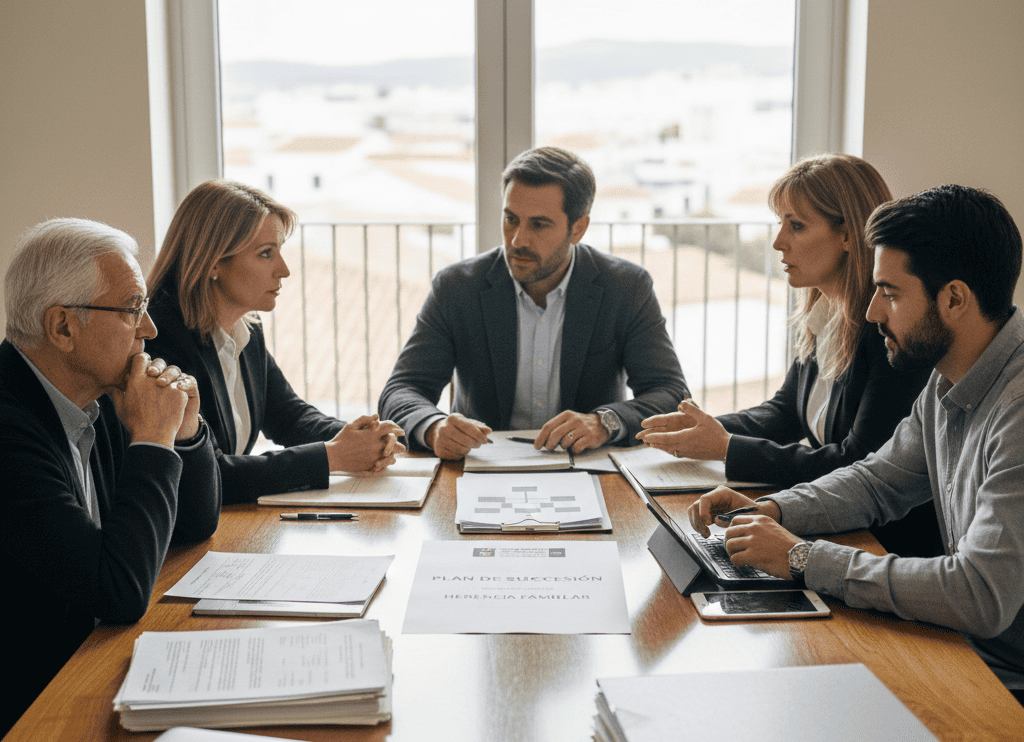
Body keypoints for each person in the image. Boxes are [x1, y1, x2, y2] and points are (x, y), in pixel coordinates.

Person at [687, 185, 1024, 700]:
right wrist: (775, 509)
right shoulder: (948, 378)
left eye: (889, 293)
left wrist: (803, 558)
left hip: (1002, 676)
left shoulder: (1017, 410)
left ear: (954, 298)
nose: (871, 313)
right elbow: (876, 481)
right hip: (966, 648)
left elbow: (980, 594)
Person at [637, 154, 938, 556]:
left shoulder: (887, 332)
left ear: (850, 236)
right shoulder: (823, 312)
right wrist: (702, 431)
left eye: (796, 225)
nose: (779, 241)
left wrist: (727, 447)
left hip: (883, 546)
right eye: (781, 223)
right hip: (837, 529)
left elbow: (857, 461)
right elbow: (785, 412)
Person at [0, 218, 222, 734]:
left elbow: (194, 525)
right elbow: (116, 592)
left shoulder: (93, 396)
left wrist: (184, 432)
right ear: (62, 328)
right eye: (132, 310)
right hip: (32, 701)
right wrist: (151, 438)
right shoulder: (8, 427)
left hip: (82, 660)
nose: (150, 329)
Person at [378, 146, 689, 459]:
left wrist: (603, 422)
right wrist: (433, 427)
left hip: (588, 470)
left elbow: (671, 393)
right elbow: (401, 390)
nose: (517, 240)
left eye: (539, 224)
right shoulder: (458, 287)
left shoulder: (625, 288)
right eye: (511, 219)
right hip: (481, 467)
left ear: (577, 229)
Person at [145, 180, 404, 503]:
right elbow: (209, 473)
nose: (284, 270)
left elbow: (288, 415)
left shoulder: (245, 328)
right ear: (213, 262)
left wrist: (364, 439)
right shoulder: (160, 339)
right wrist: (333, 456)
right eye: (266, 253)